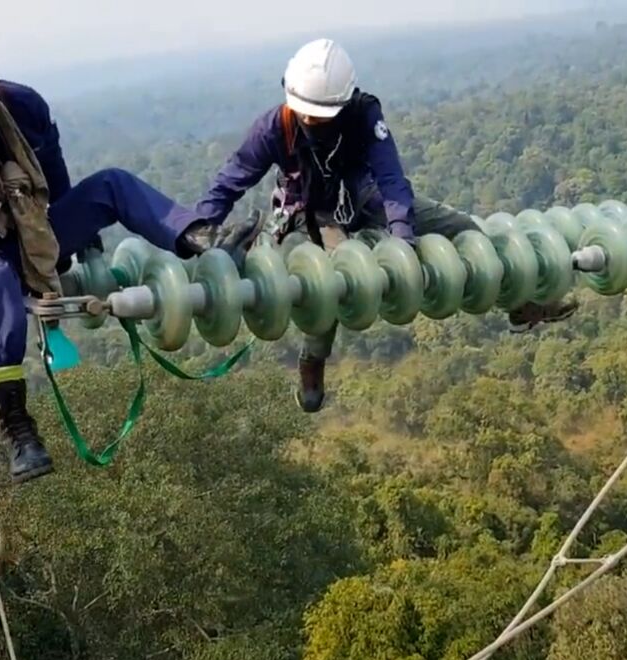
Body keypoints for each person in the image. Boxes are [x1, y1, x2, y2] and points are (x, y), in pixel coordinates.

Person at [0, 32, 240, 483]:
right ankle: (18, 428)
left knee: (111, 184)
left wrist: (77, 239)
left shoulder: (24, 109)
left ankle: (196, 236)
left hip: (31, 230)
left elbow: (54, 180)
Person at [196, 38, 578, 414]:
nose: (310, 120)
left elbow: (391, 177)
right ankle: (313, 360)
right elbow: (231, 181)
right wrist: (198, 232)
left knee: (464, 229)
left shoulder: (363, 114)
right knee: (325, 284)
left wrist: (403, 237)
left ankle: (516, 301)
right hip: (313, 209)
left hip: (366, 194)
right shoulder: (275, 127)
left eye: (320, 114)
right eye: (306, 112)